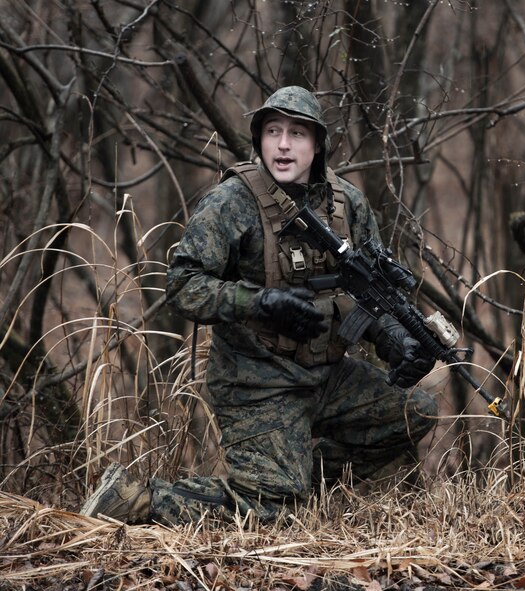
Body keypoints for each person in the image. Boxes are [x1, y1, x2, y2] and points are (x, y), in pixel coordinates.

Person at [80, 86, 438, 525]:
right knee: (270, 512)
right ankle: (136, 499)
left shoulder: (347, 204)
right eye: (273, 131)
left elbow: (370, 291)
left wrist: (394, 337)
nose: (283, 145)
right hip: (257, 381)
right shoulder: (232, 202)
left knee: (416, 411)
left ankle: (294, 482)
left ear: (317, 144)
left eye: (297, 134)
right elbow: (183, 286)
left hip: (326, 375)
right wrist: (258, 302)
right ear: (259, 139)